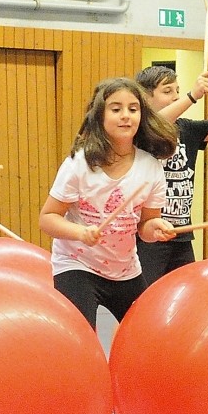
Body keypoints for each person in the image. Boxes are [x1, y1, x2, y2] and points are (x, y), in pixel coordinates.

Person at [39, 77, 177, 327]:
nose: (126, 115)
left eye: (133, 109)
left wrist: (156, 228)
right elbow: (47, 219)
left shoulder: (151, 167)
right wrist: (80, 233)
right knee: (83, 340)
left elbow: (145, 228)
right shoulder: (79, 164)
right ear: (100, 116)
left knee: (144, 336)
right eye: (116, 109)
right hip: (77, 266)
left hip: (125, 269)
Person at [136, 62, 208, 283]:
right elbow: (156, 123)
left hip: (181, 233)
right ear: (145, 97)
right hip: (148, 236)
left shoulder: (187, 128)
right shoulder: (140, 128)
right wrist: (192, 96)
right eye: (167, 91)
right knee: (144, 300)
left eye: (177, 90)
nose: (175, 96)